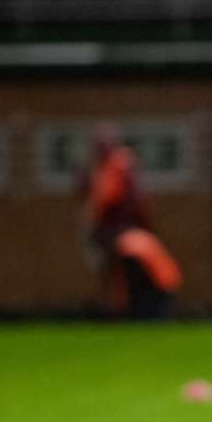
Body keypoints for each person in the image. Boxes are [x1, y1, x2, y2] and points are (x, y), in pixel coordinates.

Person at [77, 125, 182, 319]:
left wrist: (97, 228)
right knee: (117, 272)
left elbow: (109, 201)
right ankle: (119, 308)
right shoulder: (110, 168)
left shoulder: (116, 165)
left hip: (124, 238)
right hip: (123, 236)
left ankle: (122, 309)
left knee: (120, 272)